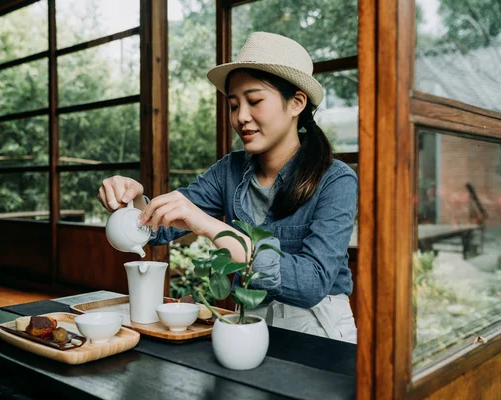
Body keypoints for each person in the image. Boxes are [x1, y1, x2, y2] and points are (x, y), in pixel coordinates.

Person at [98, 32, 358, 343]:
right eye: (234, 105)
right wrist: (134, 203)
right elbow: (161, 230)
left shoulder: (336, 179)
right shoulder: (229, 170)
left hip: (320, 328)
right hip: (247, 320)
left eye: (255, 100)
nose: (241, 117)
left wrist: (210, 226)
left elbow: (311, 284)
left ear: (296, 103)